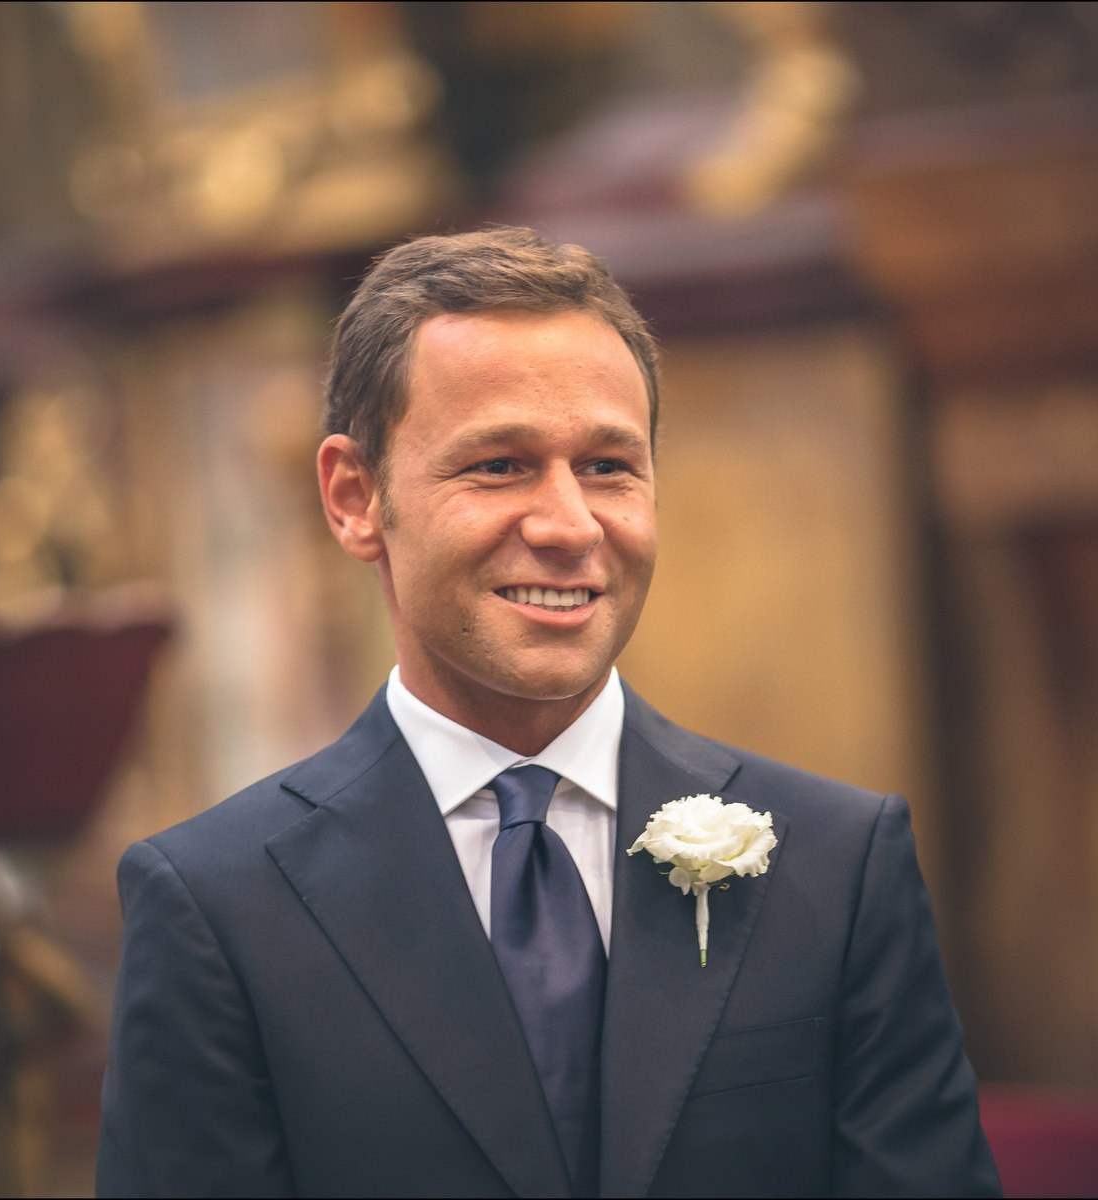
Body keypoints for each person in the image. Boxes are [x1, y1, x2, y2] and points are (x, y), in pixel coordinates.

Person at [96, 228, 1000, 1198]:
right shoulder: (216, 910)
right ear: (356, 498)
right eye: (499, 466)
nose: (569, 525)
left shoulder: (837, 867)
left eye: (608, 465)